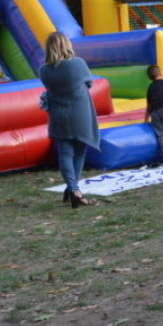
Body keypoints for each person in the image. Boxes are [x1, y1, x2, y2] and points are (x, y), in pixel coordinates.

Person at [39, 32, 100, 207]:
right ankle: (74, 189)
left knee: (65, 153)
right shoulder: (78, 64)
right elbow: (88, 83)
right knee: (80, 149)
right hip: (80, 112)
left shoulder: (44, 70)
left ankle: (72, 188)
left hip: (58, 113)